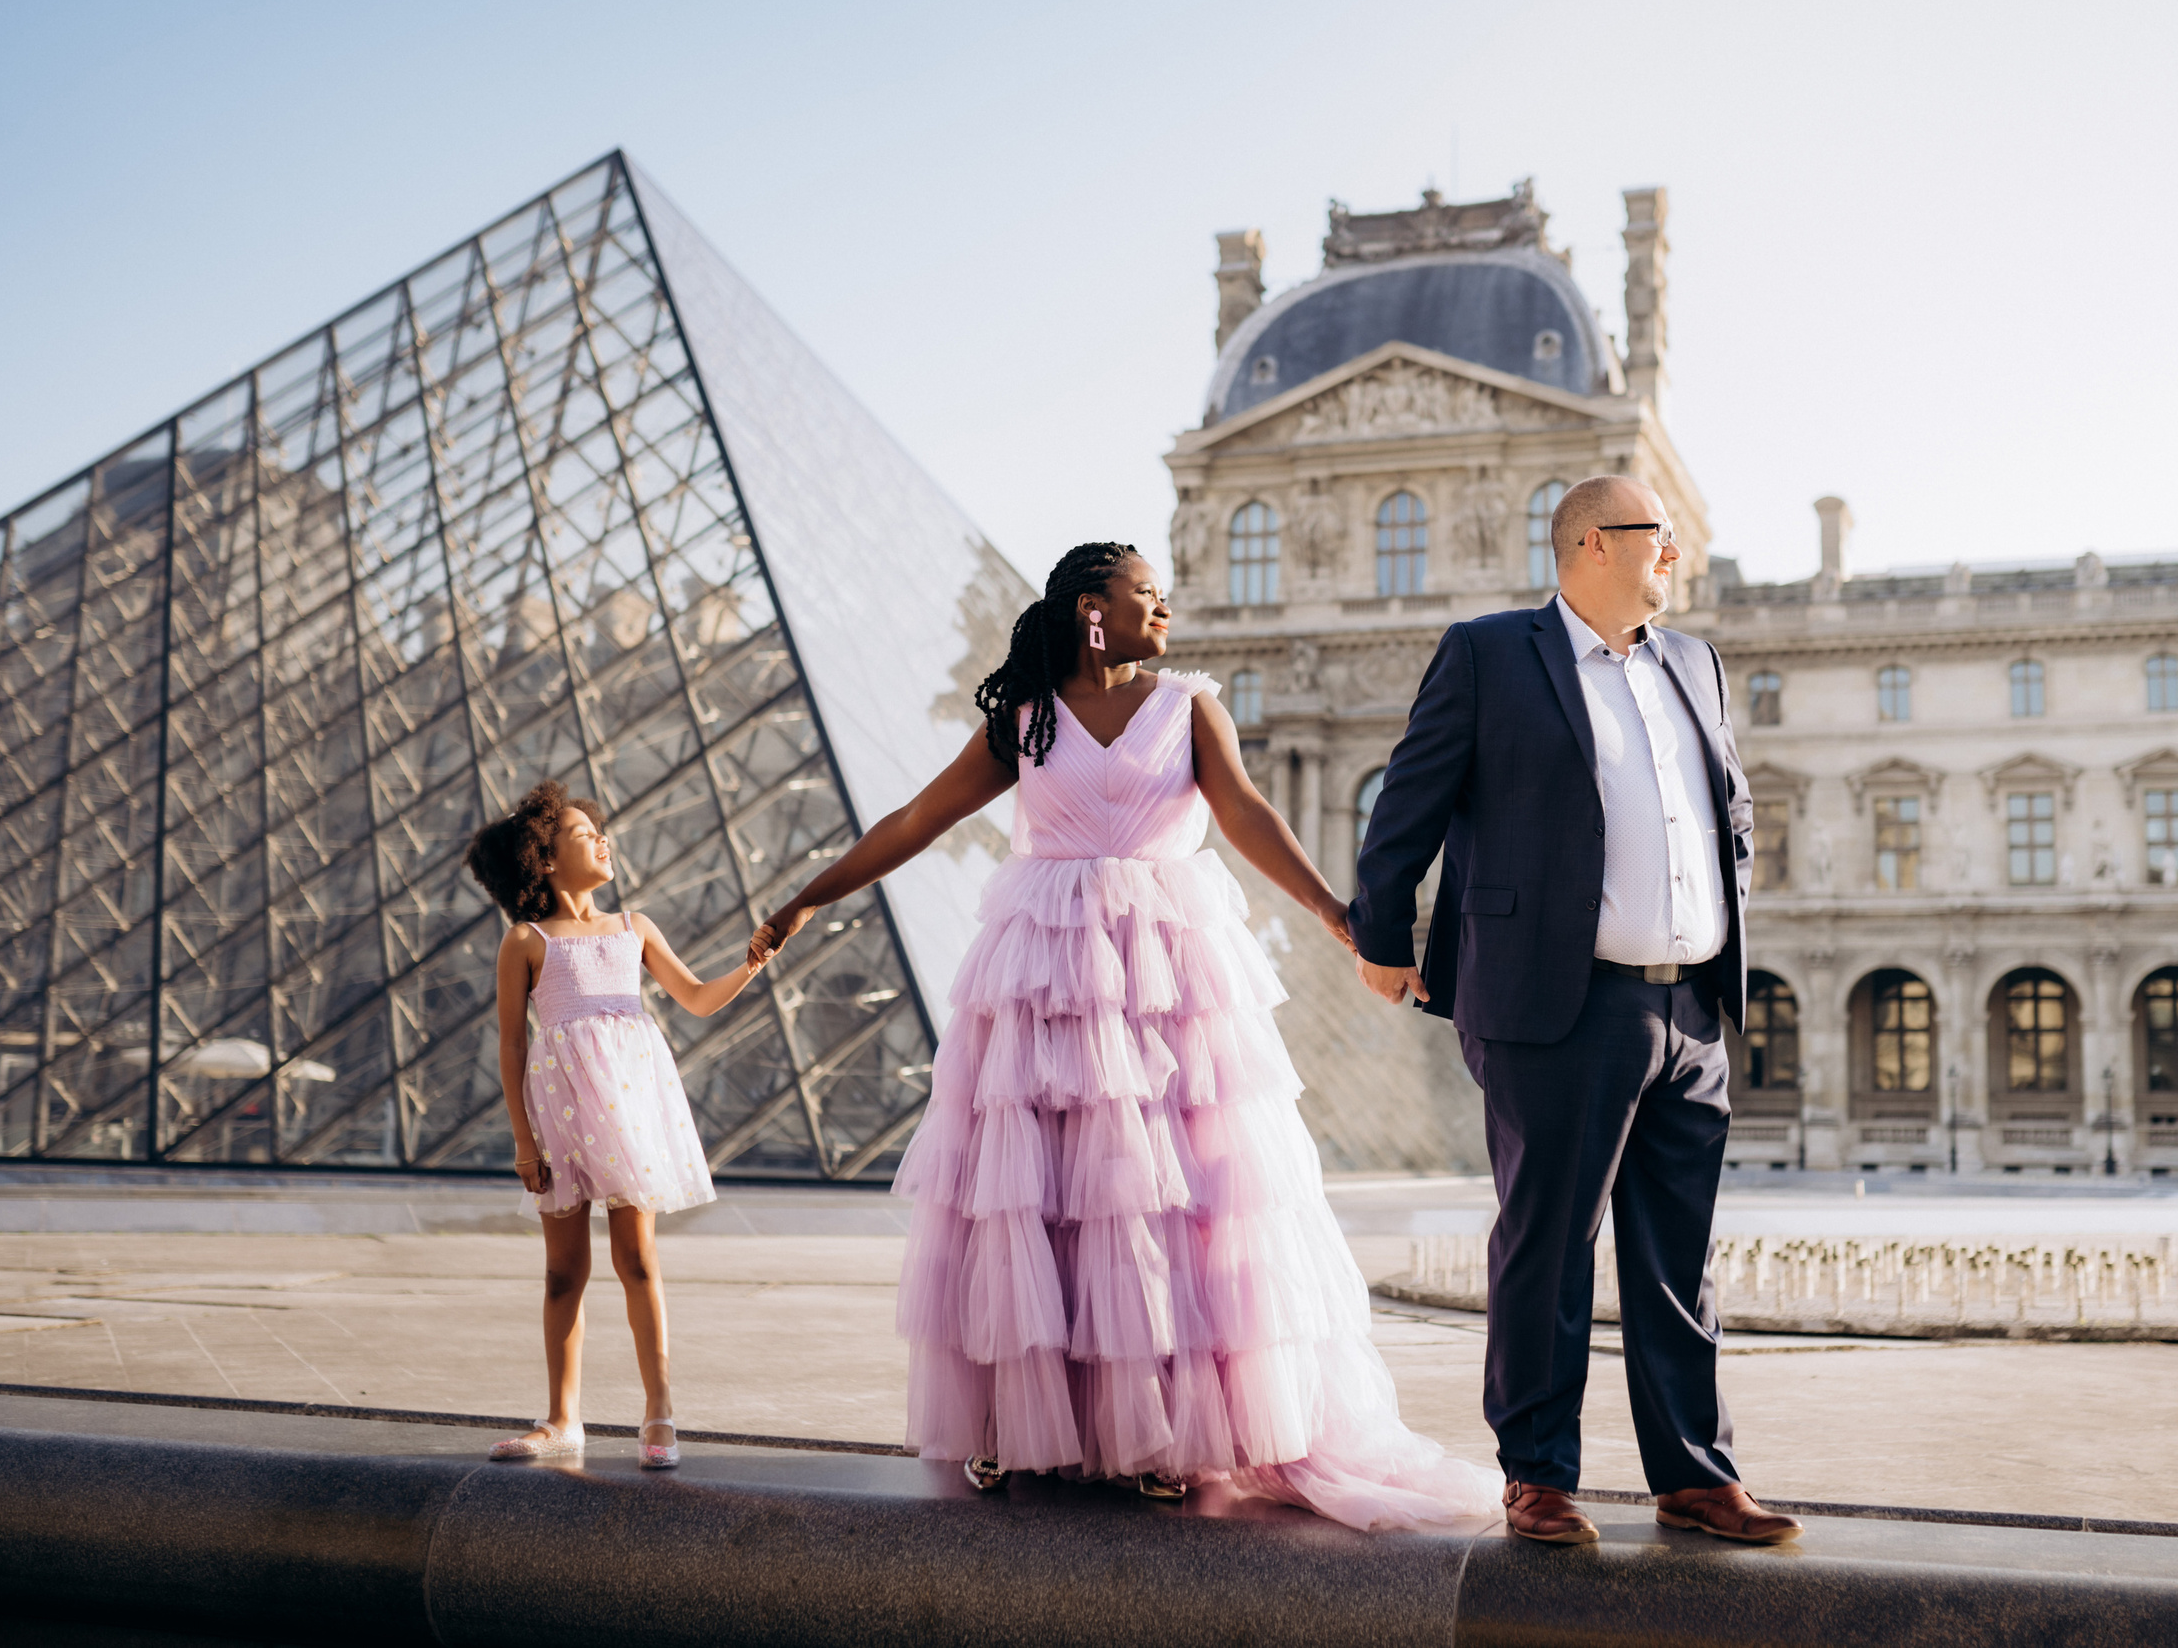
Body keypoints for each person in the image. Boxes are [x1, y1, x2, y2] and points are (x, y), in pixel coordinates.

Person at [751, 543, 1499, 1531]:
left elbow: (1246, 815)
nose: (1167, 609)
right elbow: (915, 819)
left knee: (1165, 1199)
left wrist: (1332, 910)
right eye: (1149, 594)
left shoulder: (1188, 707)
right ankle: (1025, 1423)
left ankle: (1168, 1436)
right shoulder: (1022, 723)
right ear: (1092, 608)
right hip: (1043, 970)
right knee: (1040, 1199)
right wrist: (808, 899)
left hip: (1167, 965)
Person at [1348, 476, 1801, 1548]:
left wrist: (1721, 901)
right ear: (1592, 544)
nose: (1675, 557)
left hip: (1688, 1002)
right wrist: (1381, 936)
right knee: (1549, 1245)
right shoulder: (1489, 653)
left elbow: (1727, 803)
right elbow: (1404, 800)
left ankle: (1693, 1475)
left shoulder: (1693, 660)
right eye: (1660, 539)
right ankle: (1537, 1474)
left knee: (1675, 1259)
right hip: (1558, 1000)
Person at [465, 782, 769, 1469]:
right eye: (583, 833)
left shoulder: (634, 926)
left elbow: (693, 997)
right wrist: (522, 1138)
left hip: (629, 1107)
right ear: (543, 858)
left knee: (637, 1259)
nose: (603, 839)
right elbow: (511, 1045)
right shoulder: (525, 941)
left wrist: (751, 963)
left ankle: (659, 1410)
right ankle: (563, 1417)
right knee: (562, 1271)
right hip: (559, 1114)